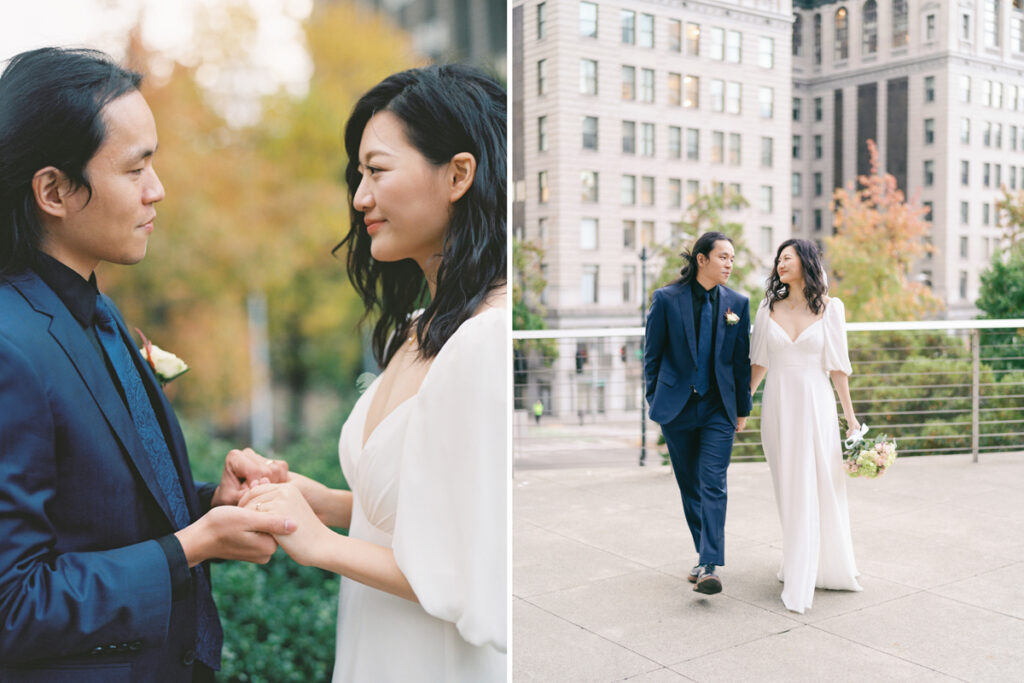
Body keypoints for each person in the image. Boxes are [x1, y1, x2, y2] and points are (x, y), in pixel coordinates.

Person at [0, 48, 294, 682]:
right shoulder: (9, 344)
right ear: (53, 190)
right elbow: (12, 605)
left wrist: (214, 503)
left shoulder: (95, 311)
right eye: (135, 169)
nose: (157, 190)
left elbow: (102, 515)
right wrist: (195, 545)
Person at [239, 64, 507, 682]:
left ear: (459, 174)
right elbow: (428, 509)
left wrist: (322, 546)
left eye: (377, 171)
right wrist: (325, 503)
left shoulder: (487, 339)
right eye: (358, 175)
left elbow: (471, 570)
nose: (359, 197)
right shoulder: (420, 327)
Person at [749, 238, 863, 614]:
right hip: (779, 405)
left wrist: (850, 419)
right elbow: (760, 362)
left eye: (788, 258)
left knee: (820, 485)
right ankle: (797, 558)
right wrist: (742, 403)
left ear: (806, 262)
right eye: (778, 258)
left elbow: (838, 368)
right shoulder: (768, 307)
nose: (781, 264)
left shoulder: (831, 309)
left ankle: (821, 566)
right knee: (790, 487)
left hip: (816, 405)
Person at [643, 232, 752, 595]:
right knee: (690, 485)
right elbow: (652, 357)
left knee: (713, 482)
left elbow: (740, 362)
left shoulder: (738, 302)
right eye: (723, 257)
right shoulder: (666, 299)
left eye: (732, 259)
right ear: (701, 259)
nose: (729, 264)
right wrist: (653, 399)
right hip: (677, 409)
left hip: (718, 408)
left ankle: (709, 564)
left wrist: (742, 409)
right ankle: (702, 555)